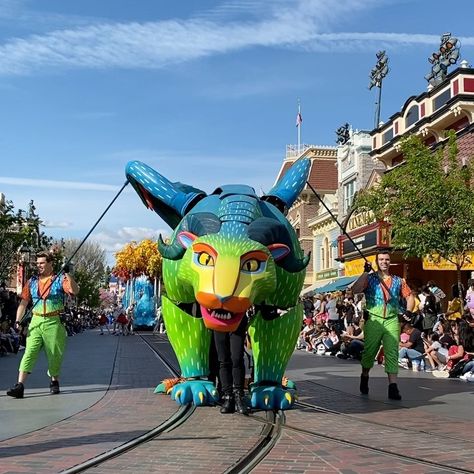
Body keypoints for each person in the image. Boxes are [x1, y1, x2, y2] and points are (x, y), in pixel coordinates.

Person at [6, 251, 79, 398]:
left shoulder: (59, 279)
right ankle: (19, 385)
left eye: (42, 263)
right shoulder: (32, 281)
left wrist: (68, 274)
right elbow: (23, 303)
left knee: (54, 354)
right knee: (29, 352)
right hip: (36, 320)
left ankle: (54, 381)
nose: (38, 266)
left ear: (50, 264)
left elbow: (74, 291)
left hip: (54, 321)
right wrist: (18, 321)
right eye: (37, 263)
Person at [351, 252, 414, 400]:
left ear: (390, 262)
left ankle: (393, 387)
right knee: (369, 352)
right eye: (381, 259)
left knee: (392, 351)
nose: (384, 262)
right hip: (374, 319)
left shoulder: (399, 281)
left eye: (386, 259)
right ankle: (365, 375)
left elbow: (409, 296)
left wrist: (409, 311)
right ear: (376, 262)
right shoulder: (370, 279)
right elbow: (355, 289)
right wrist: (365, 272)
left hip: (392, 319)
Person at [213, 315, 249, 415]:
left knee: (237, 358)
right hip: (218, 319)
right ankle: (228, 396)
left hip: (237, 318)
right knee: (223, 360)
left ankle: (239, 395)